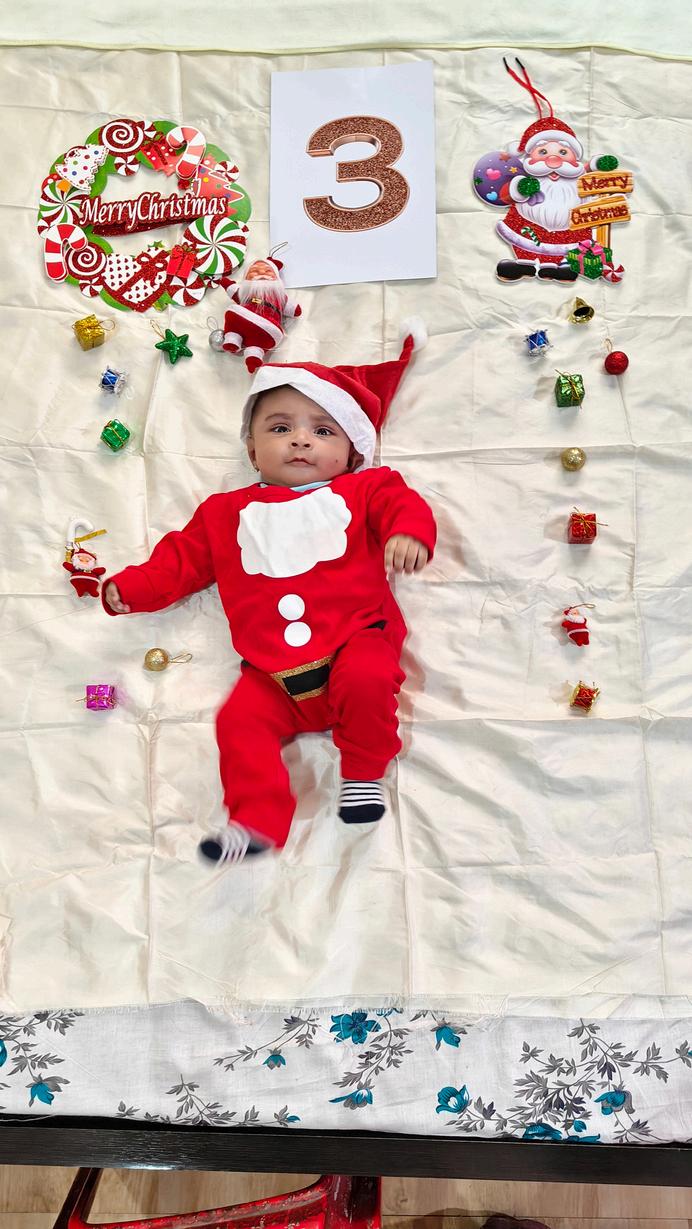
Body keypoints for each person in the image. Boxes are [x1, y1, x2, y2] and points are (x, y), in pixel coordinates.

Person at [102, 322, 436, 867]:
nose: (301, 439)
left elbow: (404, 505)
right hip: (270, 675)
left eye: (323, 431)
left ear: (353, 452)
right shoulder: (223, 513)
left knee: (369, 680)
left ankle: (363, 773)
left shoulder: (365, 489)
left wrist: (408, 533)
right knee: (238, 723)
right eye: (280, 427)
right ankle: (255, 820)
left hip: (354, 642)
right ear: (253, 450)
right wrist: (134, 587)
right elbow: (181, 560)